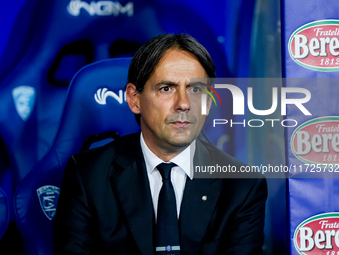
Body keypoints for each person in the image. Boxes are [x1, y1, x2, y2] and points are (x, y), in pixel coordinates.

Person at [53, 33, 267, 255]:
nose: (183, 104)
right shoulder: (87, 176)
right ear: (134, 99)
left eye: (195, 90)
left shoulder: (243, 185)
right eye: (167, 88)